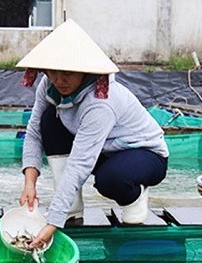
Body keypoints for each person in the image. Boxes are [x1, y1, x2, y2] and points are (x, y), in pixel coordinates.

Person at [16, 19, 169, 249]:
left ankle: (135, 197)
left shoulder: (100, 102)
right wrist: (29, 183)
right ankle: (72, 207)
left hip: (143, 154)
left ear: (85, 70)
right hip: (104, 150)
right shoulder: (49, 86)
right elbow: (34, 133)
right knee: (49, 120)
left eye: (67, 73)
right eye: (53, 71)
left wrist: (52, 222)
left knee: (109, 180)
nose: (59, 80)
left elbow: (80, 163)